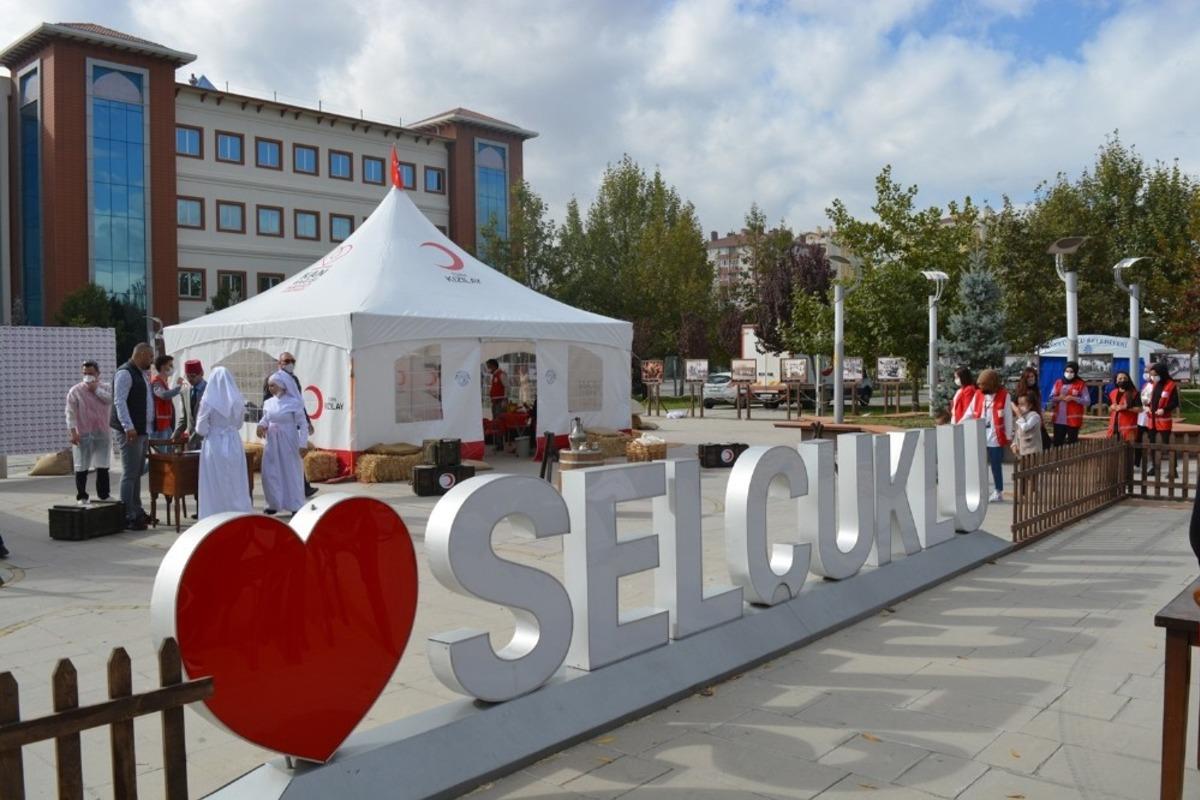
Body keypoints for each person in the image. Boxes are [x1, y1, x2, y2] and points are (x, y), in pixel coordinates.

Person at [196, 367, 253, 519]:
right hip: (233, 442)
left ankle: (214, 514)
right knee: (236, 481)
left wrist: (213, 430)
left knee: (214, 482)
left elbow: (200, 428)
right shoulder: (238, 400)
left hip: (215, 443)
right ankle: (238, 514)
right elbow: (239, 424)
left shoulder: (208, 401)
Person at [111, 343, 155, 530]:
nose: (152, 361)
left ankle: (136, 510)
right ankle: (127, 513)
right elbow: (119, 401)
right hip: (130, 431)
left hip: (142, 430)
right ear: (142, 354)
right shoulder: (125, 373)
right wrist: (128, 426)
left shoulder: (139, 373)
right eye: (150, 357)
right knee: (130, 474)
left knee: (137, 473)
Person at [263, 352, 317, 498]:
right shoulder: (271, 380)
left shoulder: (294, 379)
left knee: (294, 458)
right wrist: (265, 423)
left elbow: (299, 402)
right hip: (276, 428)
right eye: (286, 361)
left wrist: (306, 421)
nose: (290, 363)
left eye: (292, 361)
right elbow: (267, 405)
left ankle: (302, 487)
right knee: (276, 463)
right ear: (279, 363)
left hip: (291, 425)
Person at [257, 370, 308, 515]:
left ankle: (295, 504)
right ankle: (273, 503)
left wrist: (303, 444)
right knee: (270, 472)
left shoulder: (294, 403)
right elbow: (266, 418)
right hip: (272, 441)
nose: (270, 388)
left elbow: (302, 424)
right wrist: (261, 425)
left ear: (282, 385)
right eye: (269, 386)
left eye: (273, 385)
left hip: (288, 440)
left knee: (290, 471)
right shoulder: (268, 402)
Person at [65, 360, 113, 505]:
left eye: (91, 373)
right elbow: (70, 413)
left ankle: (104, 495)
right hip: (83, 432)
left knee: (102, 464)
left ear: (98, 374)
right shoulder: (76, 390)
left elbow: (111, 400)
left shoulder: (106, 387)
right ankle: (82, 496)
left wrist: (96, 390)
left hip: (102, 431)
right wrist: (73, 432)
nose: (87, 376)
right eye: (85, 373)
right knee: (81, 465)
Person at [968, 369, 1013, 502]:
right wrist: (957, 423)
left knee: (995, 465)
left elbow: (1008, 417)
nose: (982, 389)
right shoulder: (978, 394)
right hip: (980, 435)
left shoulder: (1004, 395)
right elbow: (969, 412)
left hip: (995, 437)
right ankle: (980, 490)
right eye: (980, 386)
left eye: (984, 386)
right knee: (979, 465)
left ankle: (998, 491)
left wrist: (1009, 436)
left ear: (992, 384)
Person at [1145, 361, 1180, 477]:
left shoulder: (1171, 385)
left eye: (1155, 374)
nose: (1153, 377)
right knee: (1152, 444)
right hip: (1152, 419)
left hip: (1163, 420)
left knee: (1166, 444)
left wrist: (1164, 409)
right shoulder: (1155, 384)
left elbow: (1175, 402)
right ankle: (1154, 468)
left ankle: (1173, 470)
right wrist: (1148, 407)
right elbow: (1151, 399)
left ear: (1162, 373)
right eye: (1152, 375)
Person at [1047, 361, 1090, 447]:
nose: (1069, 373)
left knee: (1072, 445)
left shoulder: (1080, 384)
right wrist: (1059, 398)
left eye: (1071, 372)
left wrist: (1073, 398)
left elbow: (1087, 401)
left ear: (1075, 372)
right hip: (1059, 420)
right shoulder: (1058, 382)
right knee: (1057, 444)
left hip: (1073, 421)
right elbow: (1051, 397)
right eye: (1067, 371)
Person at [149, 354, 184, 446]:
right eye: (170, 365)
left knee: (167, 452)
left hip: (166, 423)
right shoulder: (156, 382)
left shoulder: (164, 383)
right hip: (159, 425)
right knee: (161, 454)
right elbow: (163, 395)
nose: (172, 368)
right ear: (162, 367)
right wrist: (178, 388)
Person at [176, 359, 207, 451]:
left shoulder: (209, 390)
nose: (190, 379)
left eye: (193, 376)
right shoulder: (185, 391)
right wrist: (175, 434)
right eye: (187, 376)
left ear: (201, 373)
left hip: (206, 438)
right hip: (191, 440)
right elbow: (185, 418)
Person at [1106, 371, 1141, 442]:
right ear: (1116, 381)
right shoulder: (1112, 393)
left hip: (1128, 428)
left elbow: (1140, 409)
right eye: (1120, 378)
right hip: (1114, 428)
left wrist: (1126, 408)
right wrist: (1111, 407)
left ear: (1128, 380)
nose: (1123, 380)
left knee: (1128, 450)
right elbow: (1109, 409)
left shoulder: (1134, 393)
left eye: (1125, 378)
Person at [1012, 393, 1044, 457]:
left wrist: (1019, 415)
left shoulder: (1034, 415)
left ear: (1030, 405)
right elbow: (1017, 432)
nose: (1019, 407)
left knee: (1033, 466)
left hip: (1033, 450)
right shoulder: (1021, 417)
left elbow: (1025, 427)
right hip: (1023, 450)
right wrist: (1014, 443)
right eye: (1018, 404)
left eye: (1022, 404)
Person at [486, 359, 508, 452]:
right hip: (494, 402)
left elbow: (506, 386)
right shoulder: (494, 375)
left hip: (500, 402)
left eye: (489, 366)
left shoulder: (501, 374)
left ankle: (500, 444)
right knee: (495, 423)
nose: (488, 368)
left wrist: (505, 400)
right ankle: (498, 444)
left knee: (499, 423)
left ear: (493, 366)